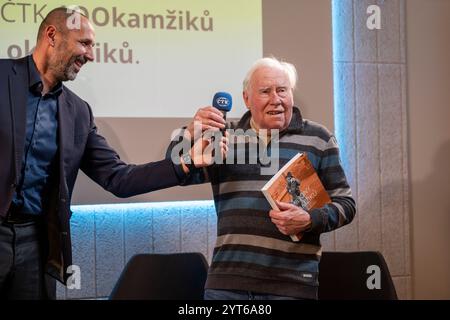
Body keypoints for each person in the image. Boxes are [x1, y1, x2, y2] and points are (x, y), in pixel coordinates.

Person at [0, 7, 226, 299]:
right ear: (52, 36)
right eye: (85, 43)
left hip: (35, 246)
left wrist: (185, 162)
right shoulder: (3, 75)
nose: (91, 55)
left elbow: (118, 178)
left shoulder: (78, 112)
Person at [167, 57, 356, 300]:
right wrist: (190, 131)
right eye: (265, 91)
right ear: (246, 99)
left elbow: (346, 205)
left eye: (282, 90)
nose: (276, 99)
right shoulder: (225, 137)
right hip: (227, 285)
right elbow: (176, 169)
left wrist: (310, 219)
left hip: (292, 285)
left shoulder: (319, 138)